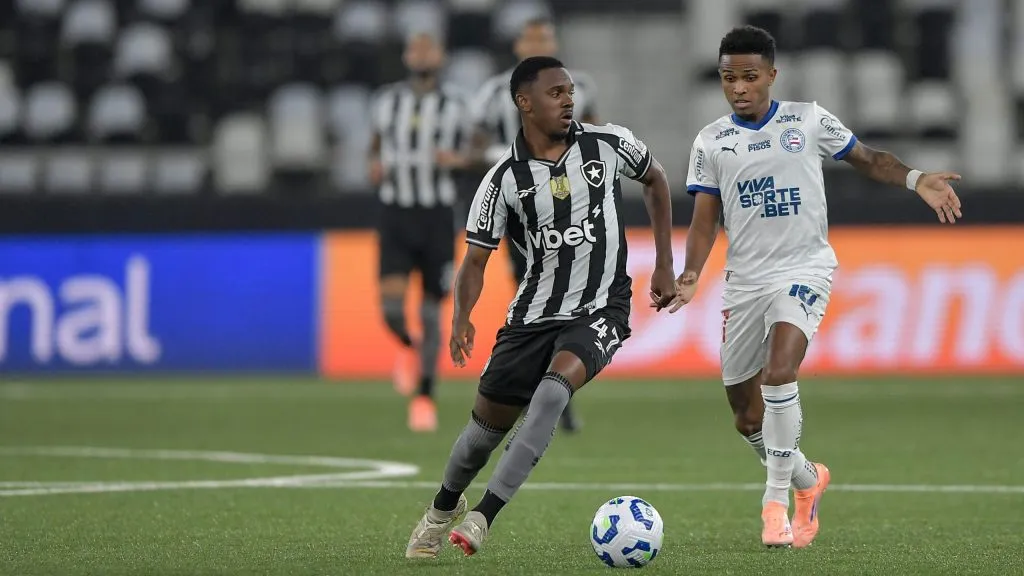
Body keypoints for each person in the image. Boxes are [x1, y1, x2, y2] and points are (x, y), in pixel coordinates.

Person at [668, 25, 963, 549]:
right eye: (729, 78)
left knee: (779, 372)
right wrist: (690, 273)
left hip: (805, 270)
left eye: (749, 76)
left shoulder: (807, 120)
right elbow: (705, 219)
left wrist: (917, 178)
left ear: (772, 75)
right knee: (746, 416)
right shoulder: (711, 140)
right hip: (745, 283)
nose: (739, 87)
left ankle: (774, 505)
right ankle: (808, 480)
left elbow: (868, 158)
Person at [404, 56, 677, 559]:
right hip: (530, 318)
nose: (569, 100)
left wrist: (664, 264)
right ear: (524, 103)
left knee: (552, 393)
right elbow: (475, 260)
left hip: (602, 308)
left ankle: (484, 516)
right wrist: (462, 316)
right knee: (479, 438)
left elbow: (656, 179)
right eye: (556, 93)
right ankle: (442, 508)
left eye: (570, 91)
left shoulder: (608, 143)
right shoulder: (502, 179)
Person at [468, 16, 599, 433]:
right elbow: (473, 149)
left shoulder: (578, 86)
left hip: (572, 208)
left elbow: (597, 137)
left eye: (545, 38)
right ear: (518, 46)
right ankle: (548, 389)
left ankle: (554, 389)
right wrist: (501, 155)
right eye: (532, 39)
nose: (539, 44)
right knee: (536, 299)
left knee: (569, 300)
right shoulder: (494, 92)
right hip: (522, 212)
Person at [368, 32, 470, 433]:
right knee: (392, 311)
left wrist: (457, 159)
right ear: (407, 55)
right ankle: (410, 349)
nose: (423, 54)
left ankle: (425, 396)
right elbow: (374, 146)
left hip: (436, 216)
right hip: (395, 213)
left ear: (441, 56)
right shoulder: (387, 101)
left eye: (430, 48)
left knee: (431, 311)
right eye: (417, 48)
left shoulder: (456, 104)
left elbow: (476, 152)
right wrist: (374, 165)